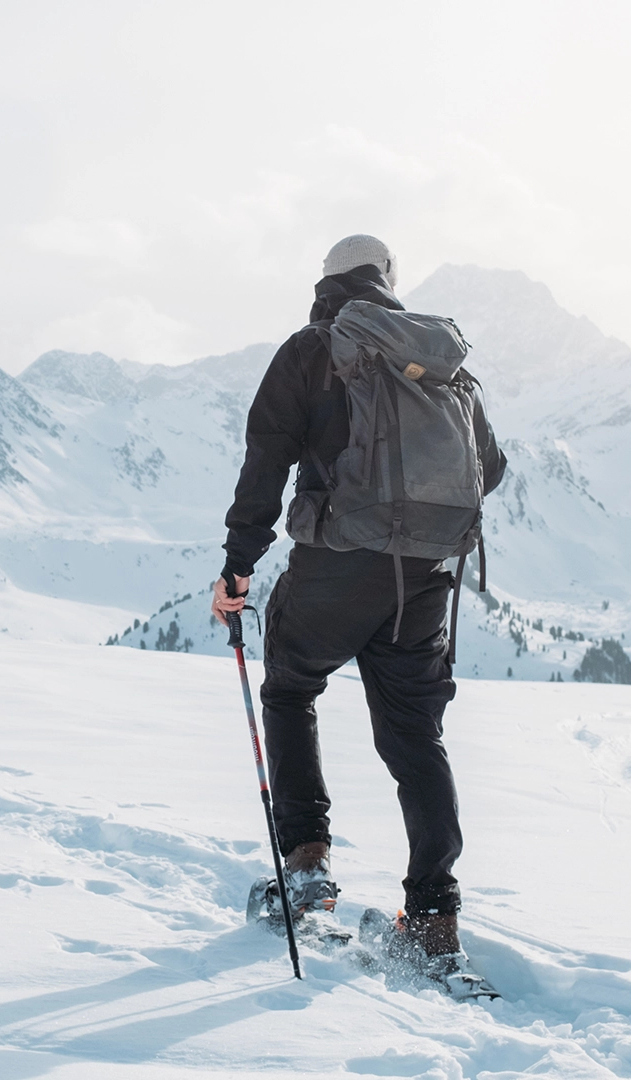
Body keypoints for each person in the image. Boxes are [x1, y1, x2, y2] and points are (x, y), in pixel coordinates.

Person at [211, 234, 507, 980]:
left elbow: (265, 459)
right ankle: (435, 920)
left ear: (327, 282)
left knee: (289, 688)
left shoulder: (313, 350)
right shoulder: (440, 358)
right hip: (425, 577)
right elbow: (492, 467)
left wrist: (238, 565)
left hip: (338, 567)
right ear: (388, 281)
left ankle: (307, 868)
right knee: (415, 739)